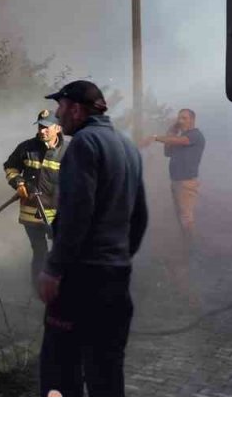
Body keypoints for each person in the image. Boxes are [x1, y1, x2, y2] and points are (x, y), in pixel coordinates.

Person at [36, 80, 149, 397]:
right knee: (106, 372)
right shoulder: (127, 147)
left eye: (60, 107)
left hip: (82, 281)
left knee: (60, 370)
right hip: (115, 281)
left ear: (76, 109)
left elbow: (76, 215)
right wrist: (118, 260)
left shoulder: (84, 144)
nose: (58, 115)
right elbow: (140, 217)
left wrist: (54, 268)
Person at [2, 109, 70, 295]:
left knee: (62, 253)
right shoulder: (27, 147)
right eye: (40, 126)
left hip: (58, 216)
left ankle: (64, 291)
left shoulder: (69, 151)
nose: (42, 130)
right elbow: (10, 167)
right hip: (31, 213)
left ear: (58, 128)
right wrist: (18, 183)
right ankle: (39, 291)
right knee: (39, 252)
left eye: (47, 127)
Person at [142, 109, 206, 248]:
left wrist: (155, 137)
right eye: (179, 118)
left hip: (186, 182)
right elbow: (168, 152)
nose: (180, 121)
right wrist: (171, 130)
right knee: (180, 215)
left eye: (184, 118)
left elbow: (180, 141)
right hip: (176, 180)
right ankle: (186, 244)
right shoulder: (180, 137)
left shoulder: (195, 135)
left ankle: (193, 248)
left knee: (186, 217)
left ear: (192, 119)